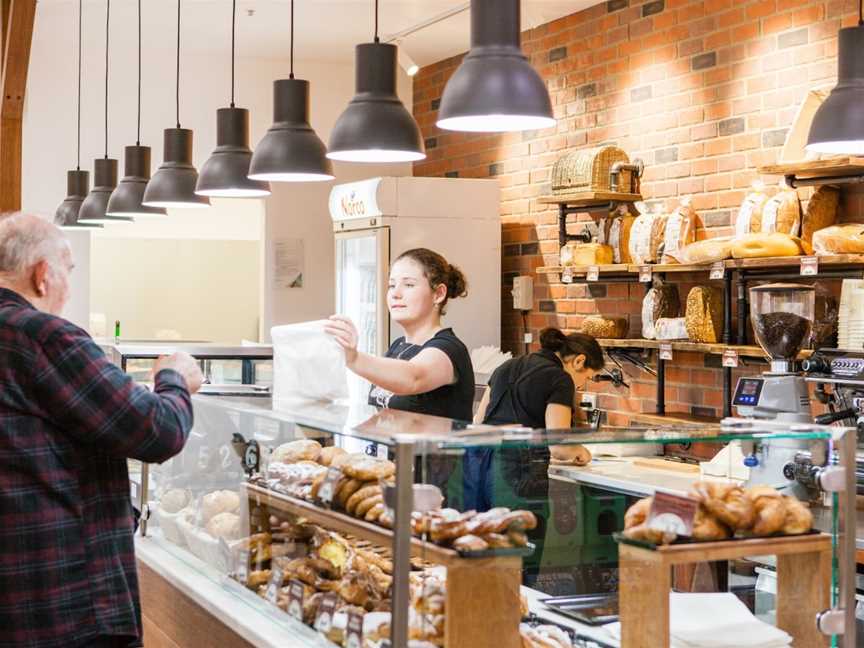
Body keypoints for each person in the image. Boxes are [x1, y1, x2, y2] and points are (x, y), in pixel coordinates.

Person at [0, 213, 203, 648]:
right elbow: (158, 430)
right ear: (42, 275)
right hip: (61, 604)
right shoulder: (43, 337)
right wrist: (175, 379)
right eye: (68, 273)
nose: (68, 289)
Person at [466, 327, 605, 582]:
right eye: (587, 377)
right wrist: (581, 452)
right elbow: (558, 444)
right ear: (579, 361)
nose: (582, 385)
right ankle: (516, 618)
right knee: (520, 560)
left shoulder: (505, 367)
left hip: (479, 465)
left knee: (483, 553)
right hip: (518, 473)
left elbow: (478, 421)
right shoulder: (560, 379)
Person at [325, 247, 474, 422]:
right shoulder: (398, 346)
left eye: (409, 285)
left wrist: (354, 358)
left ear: (438, 294)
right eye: (392, 285)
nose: (395, 294)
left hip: (432, 450)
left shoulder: (449, 348)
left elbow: (413, 378)